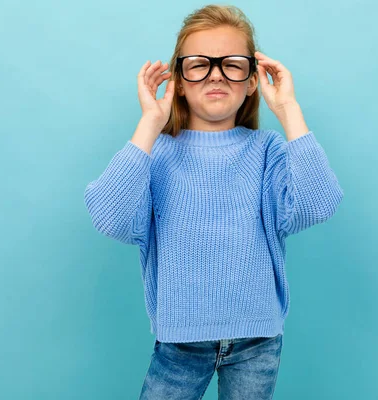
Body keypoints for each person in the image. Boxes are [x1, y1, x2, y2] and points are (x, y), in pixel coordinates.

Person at [83, 4, 344, 399]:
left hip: (257, 343)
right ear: (180, 80)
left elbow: (317, 204)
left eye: (233, 64)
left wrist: (288, 110)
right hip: (180, 344)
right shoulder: (156, 154)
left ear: (253, 80)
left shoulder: (266, 149)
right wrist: (150, 123)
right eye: (199, 64)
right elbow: (109, 217)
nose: (216, 74)